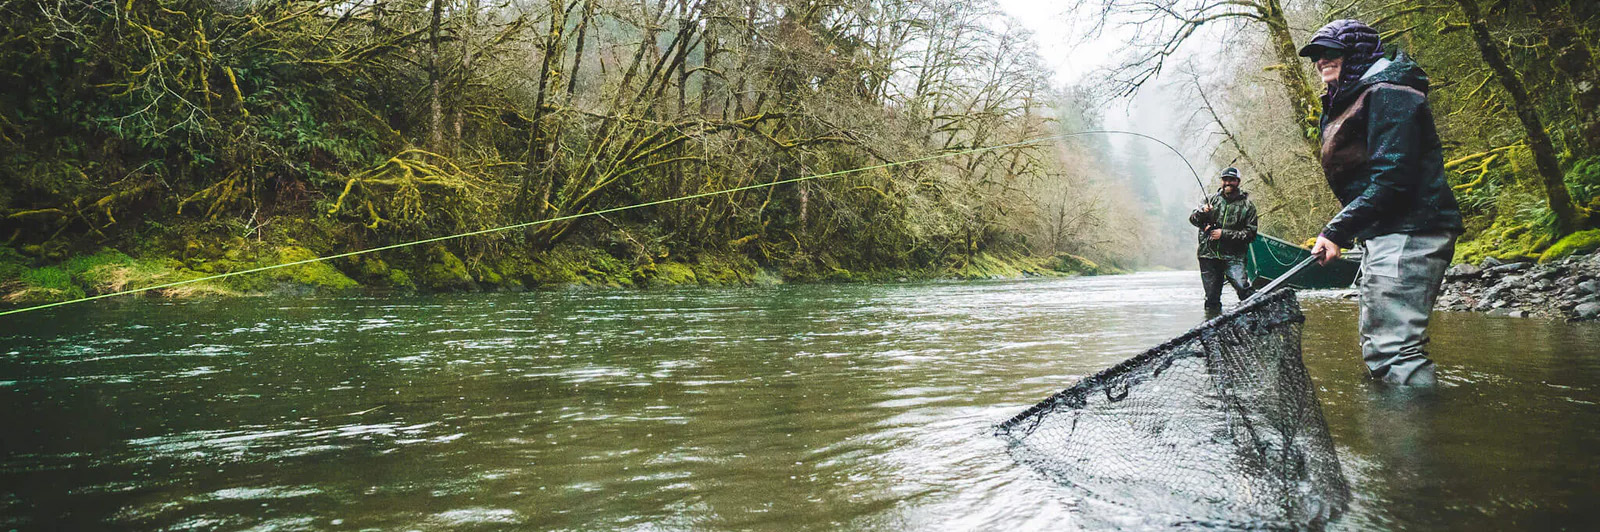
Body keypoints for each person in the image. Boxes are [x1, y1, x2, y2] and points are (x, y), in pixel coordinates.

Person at [1301, 20, 1464, 386]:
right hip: (1388, 231)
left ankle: (1411, 438)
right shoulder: (1358, 95)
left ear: (1356, 53)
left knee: (1395, 351)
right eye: (1316, 55)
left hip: (1411, 230)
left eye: (1331, 51)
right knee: (1382, 346)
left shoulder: (1391, 93)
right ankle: (1400, 432)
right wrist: (1348, 230)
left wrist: (1337, 230)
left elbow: (1393, 179)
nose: (1321, 60)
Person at [1189, 167, 1258, 317]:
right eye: (1225, 179)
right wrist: (1202, 213)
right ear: (1221, 181)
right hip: (1208, 256)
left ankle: (1254, 322)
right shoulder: (1210, 200)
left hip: (1234, 257)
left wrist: (1224, 234)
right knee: (1211, 298)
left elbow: (1251, 234)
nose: (1228, 182)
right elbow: (1193, 219)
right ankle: (1211, 328)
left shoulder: (1248, 206)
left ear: (1238, 182)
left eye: (1232, 180)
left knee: (1244, 290)